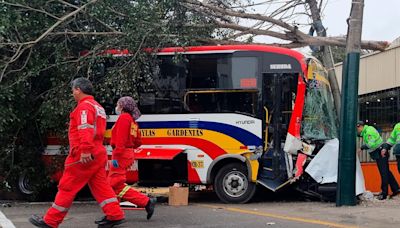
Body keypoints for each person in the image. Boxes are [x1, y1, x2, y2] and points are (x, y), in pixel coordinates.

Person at [29, 78, 125, 228]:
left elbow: (85, 128)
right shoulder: (97, 106)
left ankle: (51, 221)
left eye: (73, 90)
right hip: (98, 152)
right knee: (101, 186)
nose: (73, 94)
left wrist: (85, 150)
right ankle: (115, 214)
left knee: (67, 186)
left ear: (79, 90)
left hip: (84, 153)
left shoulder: (84, 107)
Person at [95, 96, 155, 225]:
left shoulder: (124, 118)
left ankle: (113, 215)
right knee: (116, 186)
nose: (116, 106)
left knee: (110, 185)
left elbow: (121, 141)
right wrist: (129, 149)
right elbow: (138, 141)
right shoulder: (133, 121)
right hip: (126, 154)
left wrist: (116, 156)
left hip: (119, 155)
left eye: (118, 104)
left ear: (122, 106)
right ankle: (143, 203)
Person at [357, 121, 399, 200]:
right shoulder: (366, 131)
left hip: (381, 153)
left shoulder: (368, 131)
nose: (357, 131)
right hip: (380, 152)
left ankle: (384, 194)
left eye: (357, 128)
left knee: (384, 173)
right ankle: (396, 189)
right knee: (386, 172)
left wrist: (362, 147)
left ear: (360, 126)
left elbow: (371, 144)